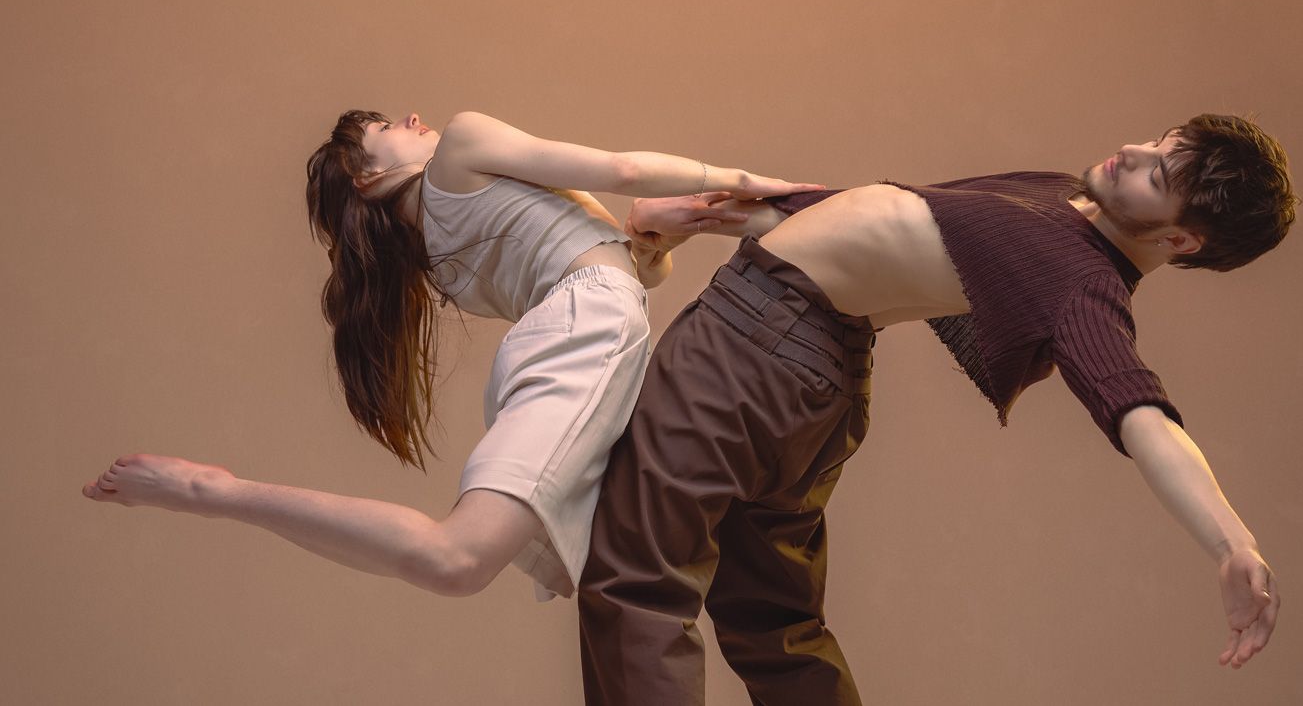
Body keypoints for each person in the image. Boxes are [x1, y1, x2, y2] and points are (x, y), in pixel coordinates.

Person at [578, 113, 1294, 704]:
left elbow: (1139, 411)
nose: (1134, 150)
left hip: (754, 349)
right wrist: (704, 215)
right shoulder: (1062, 199)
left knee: (638, 583)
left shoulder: (1083, 286)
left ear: (1177, 241)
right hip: (807, 368)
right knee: (774, 620)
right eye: (1159, 140)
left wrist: (1231, 542)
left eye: (1158, 174)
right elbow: (873, 218)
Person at [80, 109, 819, 601]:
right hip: (587, 326)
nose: (410, 116)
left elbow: (606, 272)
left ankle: (220, 494)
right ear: (368, 177)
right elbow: (620, 173)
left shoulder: (443, 262)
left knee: (480, 560)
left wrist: (649, 240)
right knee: (456, 558)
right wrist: (742, 183)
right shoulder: (463, 142)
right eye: (383, 126)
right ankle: (213, 491)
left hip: (573, 329)